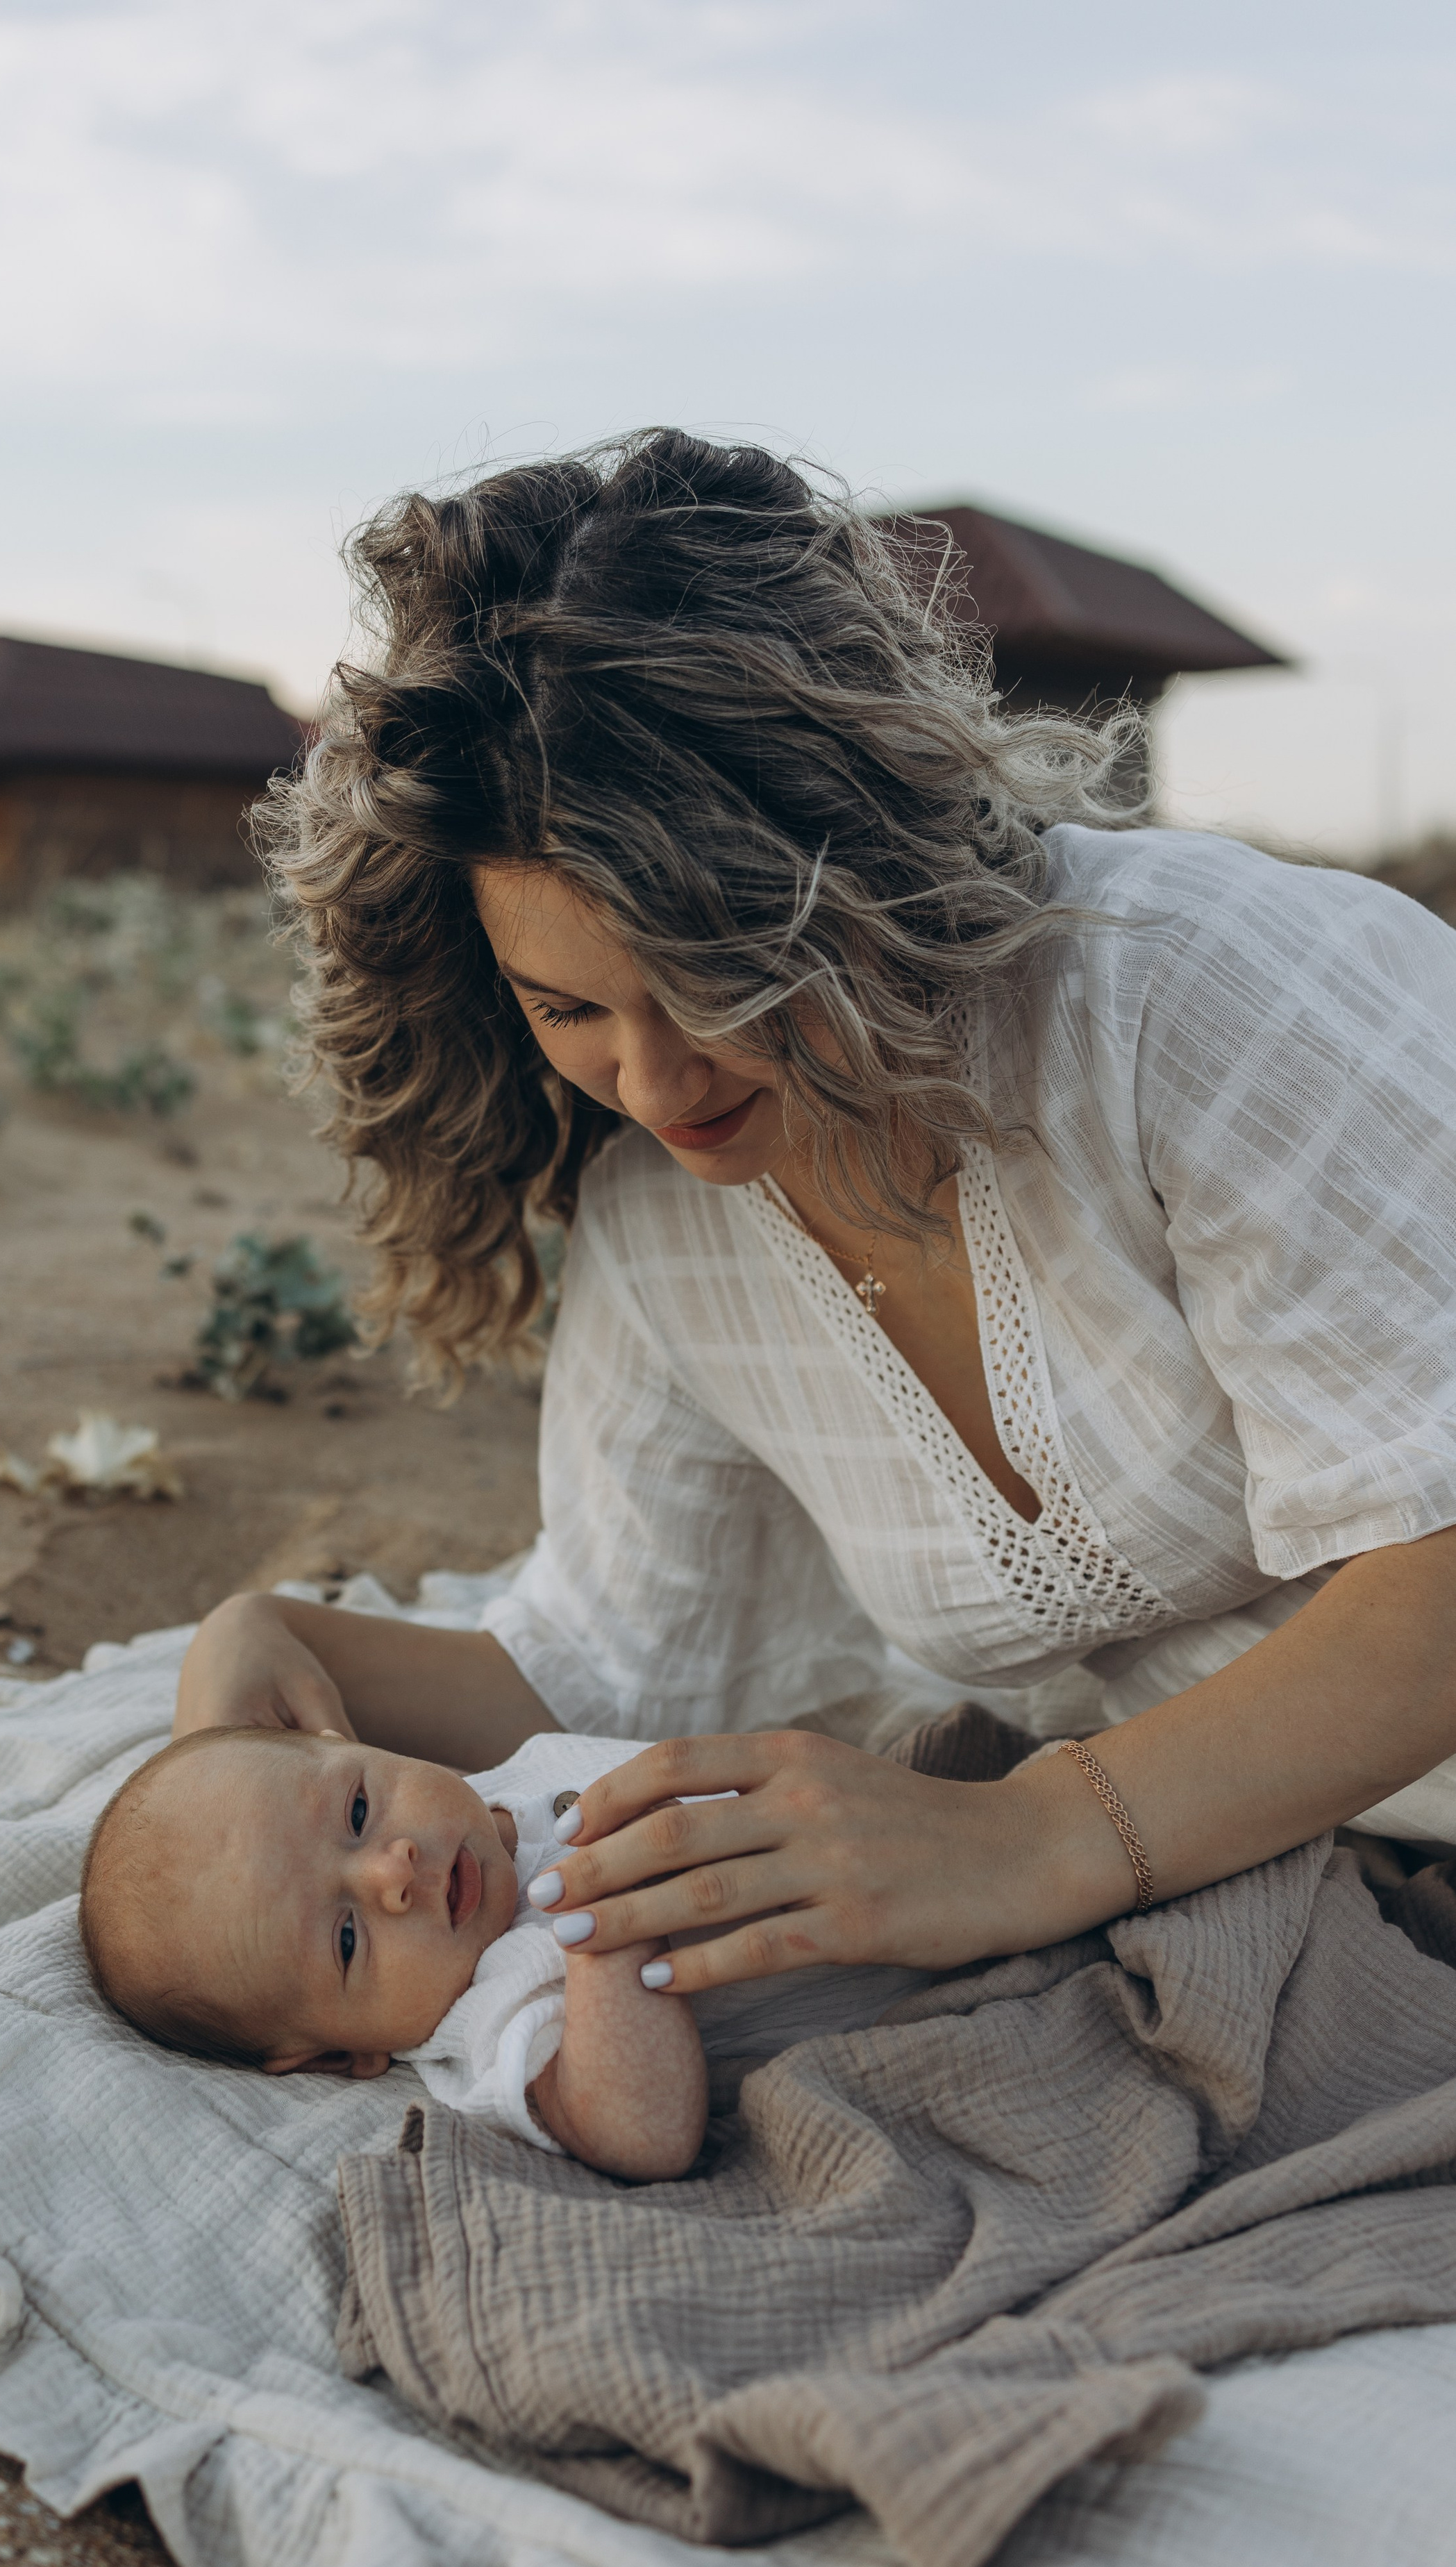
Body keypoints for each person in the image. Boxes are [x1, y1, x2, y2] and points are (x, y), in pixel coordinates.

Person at [181, 427, 1456, 2001]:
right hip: (1322, 1878)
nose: (648, 1079)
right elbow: (612, 1665)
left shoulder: (1191, 998)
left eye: (713, 979)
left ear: (852, 871)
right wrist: (277, 1641)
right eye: (567, 1006)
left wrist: (1040, 1834)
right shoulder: (662, 1225)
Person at [78, 1718, 921, 2180]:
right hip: (921, 1969)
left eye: (360, 1812)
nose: (390, 1873)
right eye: (346, 1938)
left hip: (905, 1831)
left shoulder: (515, 1773)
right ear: (343, 2056)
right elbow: (643, 2135)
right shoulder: (492, 2004)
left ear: (357, 1746)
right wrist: (607, 1927)